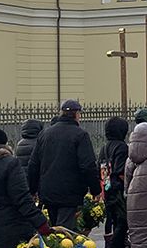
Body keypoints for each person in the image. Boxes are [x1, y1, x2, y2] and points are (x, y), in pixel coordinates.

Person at [27, 99, 100, 230]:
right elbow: (88, 165)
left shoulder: (45, 134)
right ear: (77, 114)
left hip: (48, 190)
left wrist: (32, 189)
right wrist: (95, 189)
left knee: (54, 227)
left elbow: (34, 164)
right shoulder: (80, 135)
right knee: (65, 231)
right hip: (70, 192)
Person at [98, 117, 131, 248]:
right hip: (118, 190)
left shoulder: (104, 148)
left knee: (117, 222)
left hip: (107, 188)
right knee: (123, 223)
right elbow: (121, 171)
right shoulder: (122, 147)